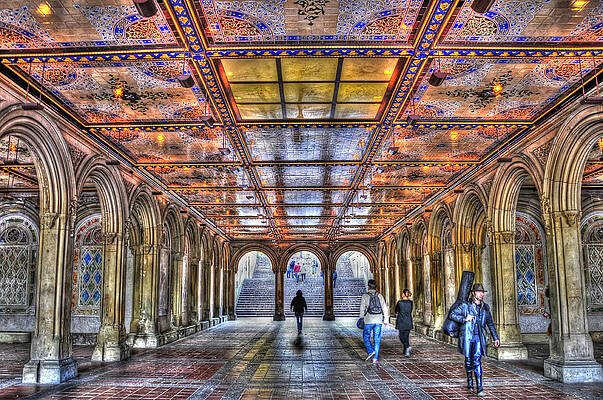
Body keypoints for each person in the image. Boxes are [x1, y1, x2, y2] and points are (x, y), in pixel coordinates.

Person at [449, 283, 500, 397]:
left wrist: (495, 337)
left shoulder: (485, 307)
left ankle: (480, 387)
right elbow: (452, 315)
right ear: (473, 293)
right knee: (468, 361)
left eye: (482, 292)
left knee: (477, 360)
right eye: (479, 292)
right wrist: (464, 318)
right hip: (467, 337)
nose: (481, 294)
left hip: (478, 337)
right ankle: (470, 382)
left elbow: (490, 323)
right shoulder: (465, 306)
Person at [359, 279, 389, 363]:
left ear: (368, 286)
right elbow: (384, 308)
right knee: (377, 339)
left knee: (366, 337)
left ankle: (370, 350)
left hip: (368, 320)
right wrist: (386, 320)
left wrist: (361, 318)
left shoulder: (365, 296)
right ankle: (375, 358)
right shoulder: (380, 296)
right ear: (376, 287)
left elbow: (362, 308)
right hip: (378, 320)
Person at [395, 289, 413, 357]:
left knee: (401, 337)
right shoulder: (411, 302)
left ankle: (407, 346)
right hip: (408, 321)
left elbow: (396, 310)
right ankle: (406, 351)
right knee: (406, 337)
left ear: (403, 294)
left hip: (401, 321)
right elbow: (410, 311)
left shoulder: (399, 302)